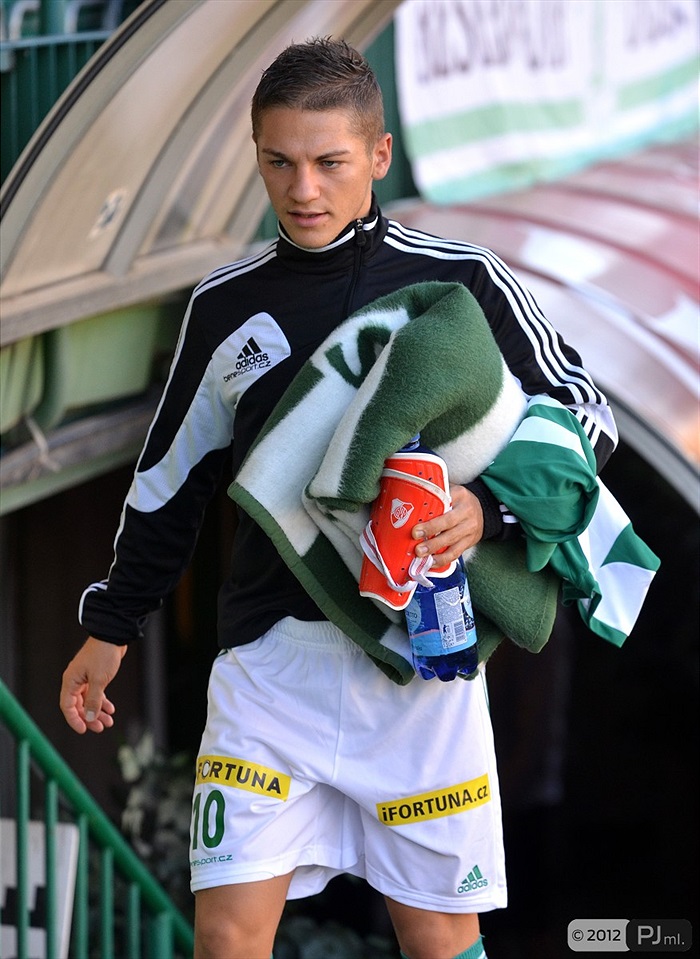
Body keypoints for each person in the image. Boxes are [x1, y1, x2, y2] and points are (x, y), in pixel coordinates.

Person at [60, 37, 617, 959]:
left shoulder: (462, 281)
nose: (303, 188)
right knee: (227, 938)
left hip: (419, 666)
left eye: (329, 163)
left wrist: (495, 509)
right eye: (278, 162)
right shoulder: (224, 306)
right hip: (268, 674)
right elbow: (169, 486)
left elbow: (585, 415)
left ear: (379, 157)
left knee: (439, 937)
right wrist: (111, 626)